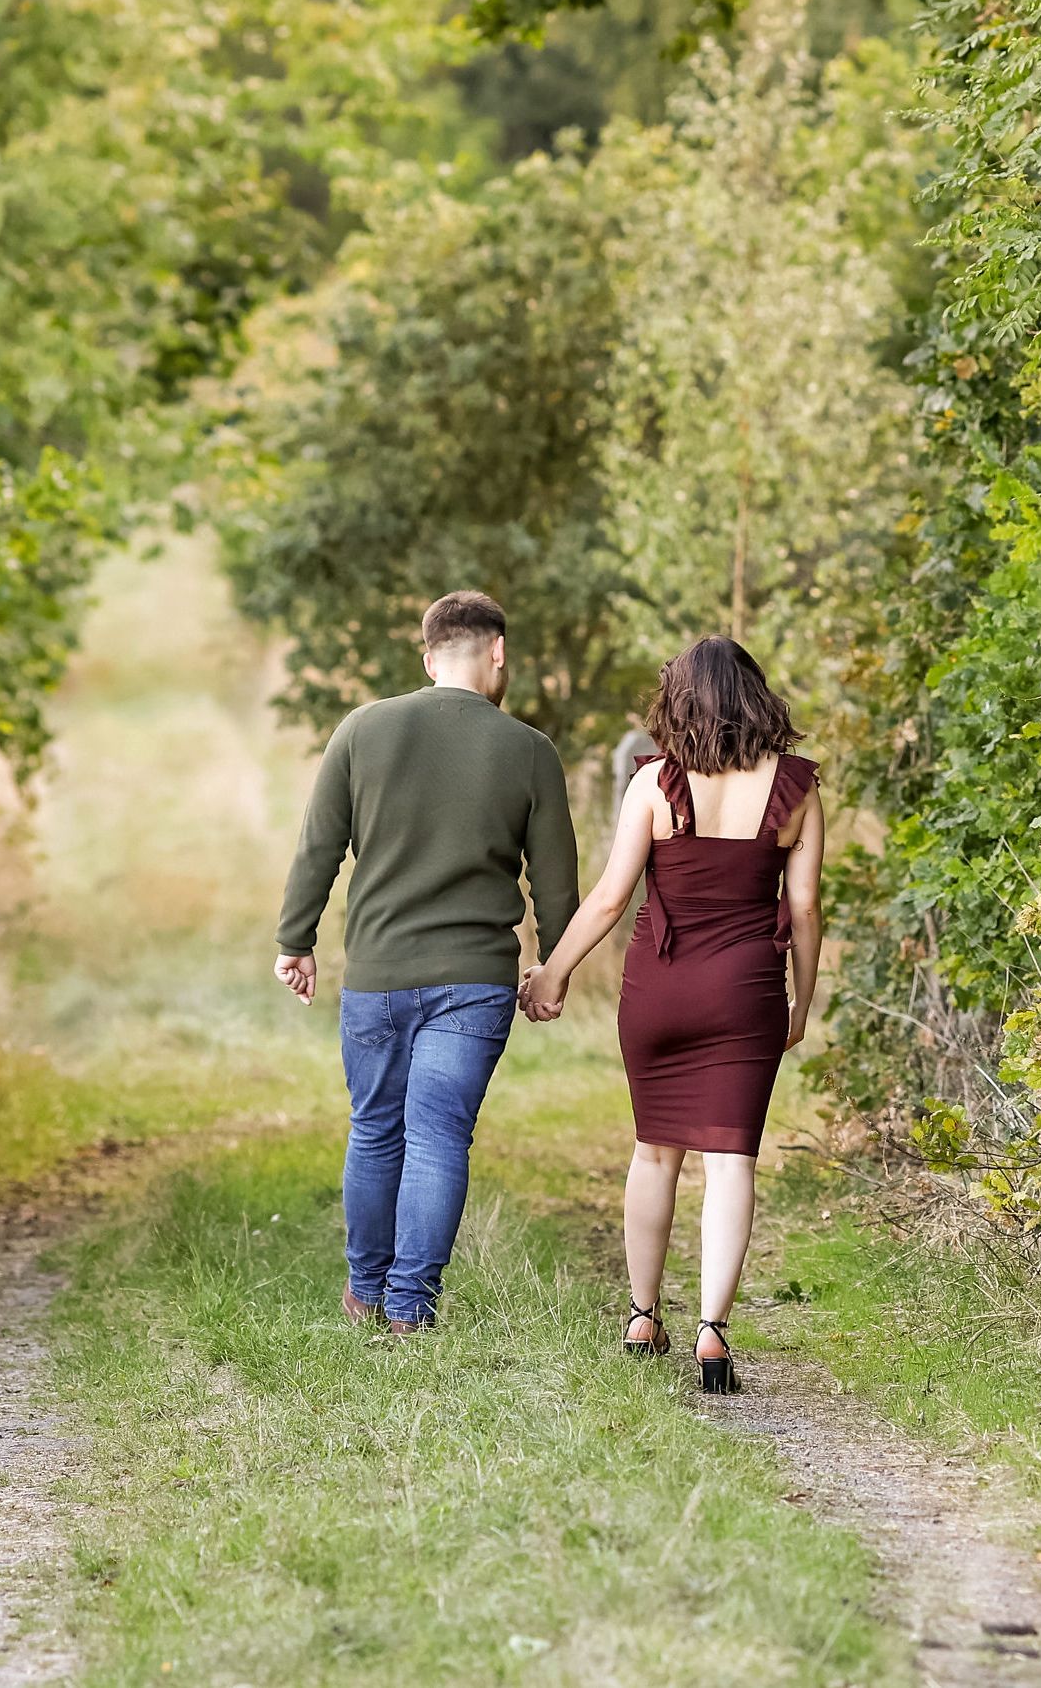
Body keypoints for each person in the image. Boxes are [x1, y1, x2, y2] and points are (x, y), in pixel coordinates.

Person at [519, 637, 823, 1394]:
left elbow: (612, 898)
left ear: (677, 700)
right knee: (732, 1163)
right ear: (756, 697)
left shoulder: (655, 784)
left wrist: (551, 974)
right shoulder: (797, 789)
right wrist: (802, 1001)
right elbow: (806, 906)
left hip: (659, 990)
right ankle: (713, 1335)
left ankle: (641, 1317)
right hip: (745, 990)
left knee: (655, 1152)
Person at [274, 589, 579, 1334]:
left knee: (375, 1127)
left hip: (377, 974)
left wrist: (296, 941)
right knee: (439, 1135)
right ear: (498, 652)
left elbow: (320, 847)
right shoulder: (529, 752)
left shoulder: (362, 729)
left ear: (427, 655)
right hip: (473, 982)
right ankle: (411, 1309)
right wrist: (554, 968)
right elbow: (557, 886)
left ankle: (363, 1294)